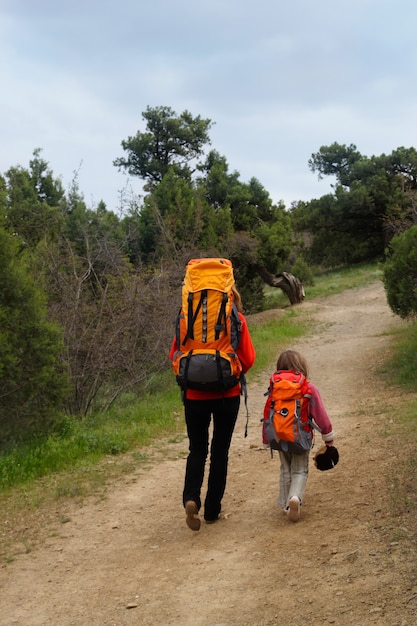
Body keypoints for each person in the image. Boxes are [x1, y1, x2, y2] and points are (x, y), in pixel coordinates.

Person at [170, 284, 256, 531]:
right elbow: (248, 358)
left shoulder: (186, 316)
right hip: (227, 394)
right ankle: (212, 510)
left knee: (197, 449)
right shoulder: (235, 318)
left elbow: (173, 354)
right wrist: (232, 374)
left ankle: (191, 498)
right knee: (220, 451)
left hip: (194, 395)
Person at [262, 349, 335, 522]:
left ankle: (286, 505)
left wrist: (266, 438)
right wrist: (328, 436)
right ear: (302, 367)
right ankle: (294, 498)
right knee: (300, 470)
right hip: (300, 436)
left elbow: (267, 414)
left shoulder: (275, 386)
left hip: (279, 435)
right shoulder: (308, 387)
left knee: (285, 468)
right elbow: (321, 415)